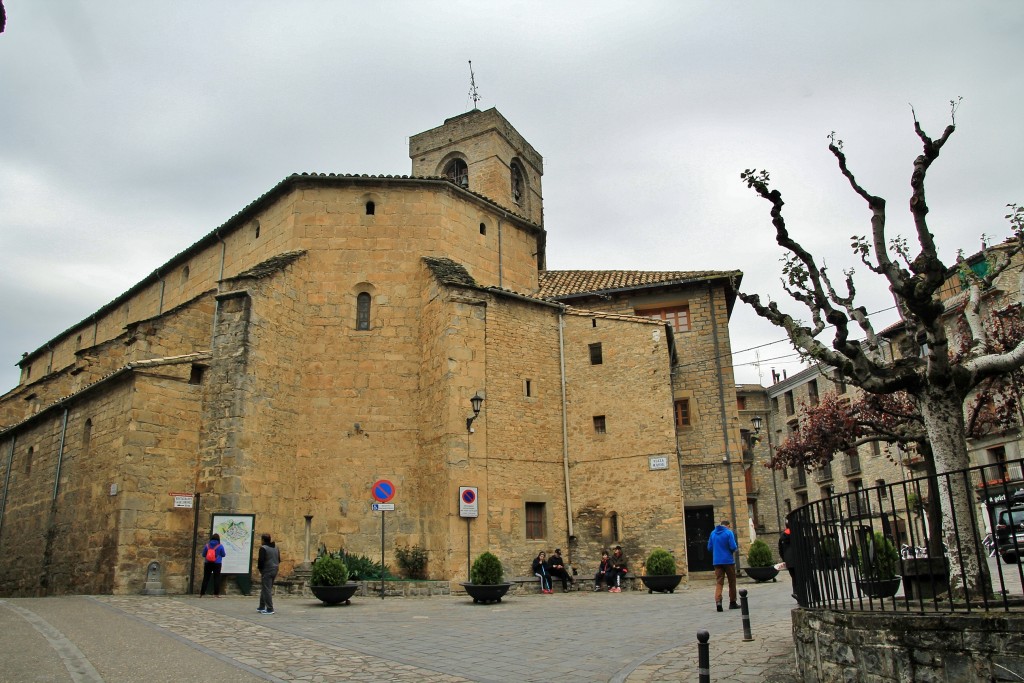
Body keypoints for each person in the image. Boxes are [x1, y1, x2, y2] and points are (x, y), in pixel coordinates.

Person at [707, 519, 739, 611]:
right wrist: (730, 551)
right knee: (732, 581)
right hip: (728, 561)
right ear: (728, 525)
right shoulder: (729, 533)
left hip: (717, 561)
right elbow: (733, 546)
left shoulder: (713, 533)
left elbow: (709, 547)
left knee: (719, 582)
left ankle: (718, 601)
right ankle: (732, 602)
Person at [257, 533, 281, 614]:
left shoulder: (263, 548)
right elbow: (279, 559)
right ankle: (261, 606)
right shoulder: (276, 548)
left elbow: (261, 560)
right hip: (275, 569)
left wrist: (260, 569)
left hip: (267, 570)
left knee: (267, 589)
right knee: (266, 587)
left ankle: (270, 608)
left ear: (263, 540)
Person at [199, 533, 226, 597]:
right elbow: (223, 554)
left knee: (206, 578)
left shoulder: (207, 546)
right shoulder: (220, 546)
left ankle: (202, 593)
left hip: (208, 563)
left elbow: (203, 555)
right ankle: (216, 593)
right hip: (217, 563)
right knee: (216, 578)